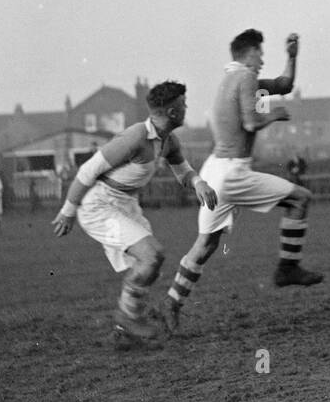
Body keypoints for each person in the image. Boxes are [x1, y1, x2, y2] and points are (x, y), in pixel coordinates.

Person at [163, 31, 323, 334]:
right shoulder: (247, 78)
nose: (262, 60)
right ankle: (287, 267)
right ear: (248, 54)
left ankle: (172, 303)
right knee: (300, 198)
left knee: (206, 243)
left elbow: (284, 85)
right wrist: (273, 115)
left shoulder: (233, 80)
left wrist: (292, 55)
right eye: (260, 53)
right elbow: (250, 122)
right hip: (234, 173)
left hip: (215, 171)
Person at [51, 81, 217, 349]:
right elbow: (87, 172)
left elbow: (183, 170)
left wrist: (199, 183)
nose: (186, 108)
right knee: (151, 256)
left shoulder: (168, 141)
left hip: (126, 204)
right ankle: (128, 318)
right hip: (100, 205)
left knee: (151, 262)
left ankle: (124, 330)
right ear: (172, 112)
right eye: (183, 104)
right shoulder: (135, 137)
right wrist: (68, 211)